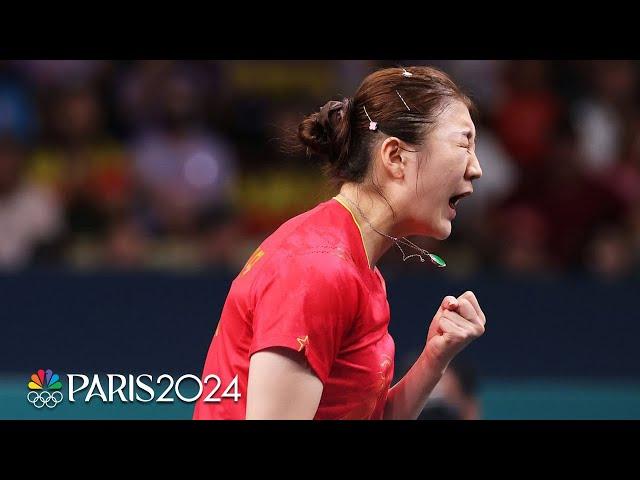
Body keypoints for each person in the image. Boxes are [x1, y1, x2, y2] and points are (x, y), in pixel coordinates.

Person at [193, 66, 486, 420]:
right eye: (463, 143)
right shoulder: (316, 269)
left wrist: (433, 358)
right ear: (395, 157)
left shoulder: (358, 267)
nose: (476, 168)